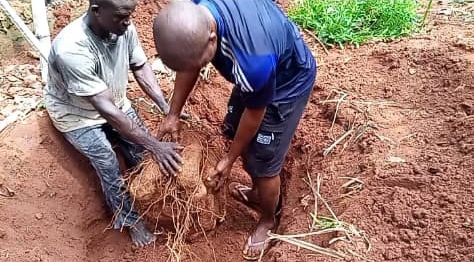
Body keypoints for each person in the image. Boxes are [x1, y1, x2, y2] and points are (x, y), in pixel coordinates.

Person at [153, 0, 317, 259]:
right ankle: (254, 193)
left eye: (201, 61)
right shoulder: (195, 13)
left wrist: (229, 159)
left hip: (287, 84)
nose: (199, 67)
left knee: (264, 164)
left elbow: (254, 114)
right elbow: (190, 63)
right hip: (255, 73)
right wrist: (172, 114)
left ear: (212, 38)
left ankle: (267, 220)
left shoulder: (254, 63)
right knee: (235, 132)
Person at [43, 0, 183, 247]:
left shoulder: (123, 27)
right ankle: (130, 221)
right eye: (121, 17)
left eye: (130, 16)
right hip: (77, 114)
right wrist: (155, 145)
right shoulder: (71, 48)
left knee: (142, 156)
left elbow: (139, 66)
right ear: (96, 11)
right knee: (108, 161)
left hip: (115, 102)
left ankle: (151, 200)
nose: (128, 22)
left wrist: (165, 107)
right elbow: (105, 109)